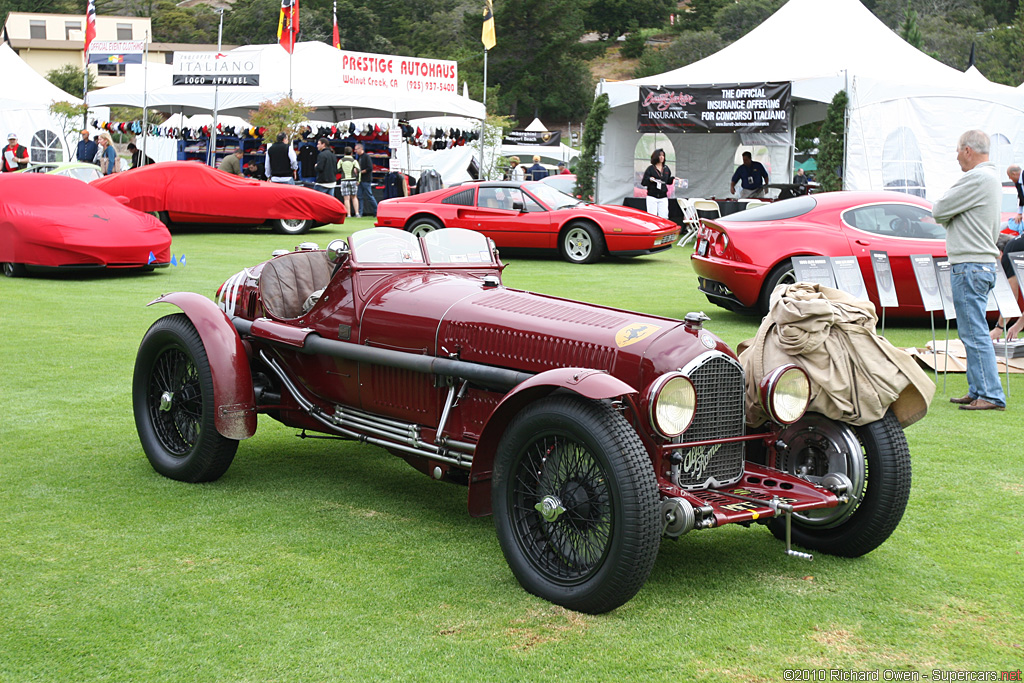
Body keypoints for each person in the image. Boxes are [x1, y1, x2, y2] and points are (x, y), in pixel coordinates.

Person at [932, 129, 1005, 411]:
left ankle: (989, 393)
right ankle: (979, 390)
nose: (956, 157)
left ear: (967, 150)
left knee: (973, 333)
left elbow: (940, 210)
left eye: (957, 151)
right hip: (981, 264)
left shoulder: (976, 178)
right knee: (972, 331)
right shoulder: (991, 178)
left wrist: (952, 217)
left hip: (970, 264)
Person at [640, 148, 674, 218]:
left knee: (664, 216)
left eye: (663, 155)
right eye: (660, 155)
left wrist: (674, 179)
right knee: (652, 217)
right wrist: (650, 179)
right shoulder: (650, 169)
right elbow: (643, 182)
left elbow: (667, 181)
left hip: (663, 196)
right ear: (656, 157)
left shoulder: (666, 168)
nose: (662, 157)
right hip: (652, 196)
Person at [354, 143, 377, 217]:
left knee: (369, 196)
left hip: (366, 180)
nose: (355, 151)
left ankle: (376, 211)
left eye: (356, 149)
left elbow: (370, 168)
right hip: (360, 180)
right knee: (359, 196)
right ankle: (360, 213)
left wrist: (361, 171)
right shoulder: (358, 158)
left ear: (361, 149)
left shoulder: (366, 157)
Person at [337, 146, 360, 218]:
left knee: (346, 198)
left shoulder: (341, 160)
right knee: (354, 197)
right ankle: (357, 213)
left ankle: (348, 214)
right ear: (351, 153)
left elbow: (338, 169)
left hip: (344, 180)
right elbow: (358, 171)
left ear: (344, 152)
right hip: (353, 180)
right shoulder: (354, 161)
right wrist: (358, 180)